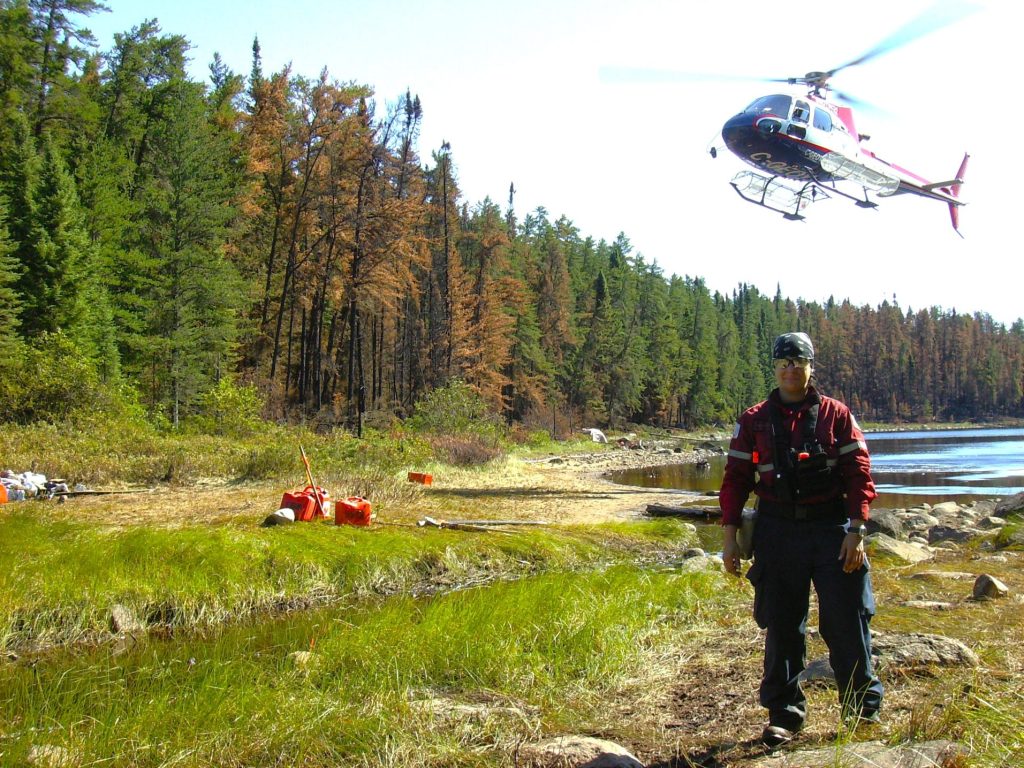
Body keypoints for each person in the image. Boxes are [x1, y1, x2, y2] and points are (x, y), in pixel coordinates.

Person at [720, 332, 883, 748]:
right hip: (776, 533)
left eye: (799, 362)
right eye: (784, 362)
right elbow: (736, 481)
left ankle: (861, 711)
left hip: (832, 532)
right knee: (782, 627)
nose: (791, 369)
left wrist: (856, 530)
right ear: (774, 368)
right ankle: (784, 715)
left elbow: (859, 475)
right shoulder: (754, 419)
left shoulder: (837, 415)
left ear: (811, 367)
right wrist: (730, 537)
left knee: (847, 623)